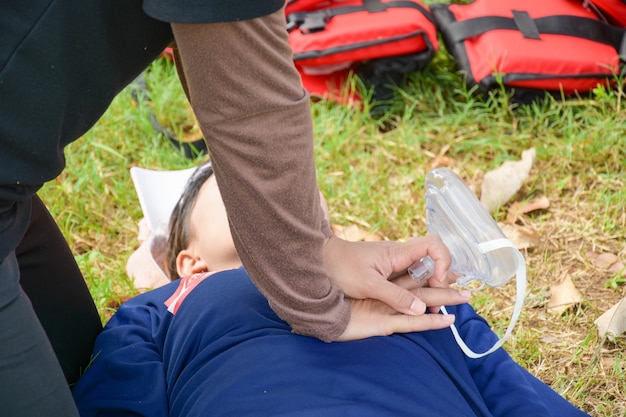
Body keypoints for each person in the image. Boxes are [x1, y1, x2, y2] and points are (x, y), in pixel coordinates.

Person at [2, 1, 458, 415]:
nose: (243, 186)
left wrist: (317, 254)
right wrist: (308, 279)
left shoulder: (398, 297)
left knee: (74, 357)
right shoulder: (162, 308)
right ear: (190, 265)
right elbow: (247, 106)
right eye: (222, 182)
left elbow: (227, 63)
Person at [71, 161, 590, 417]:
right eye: (239, 185)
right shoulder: (164, 305)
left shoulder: (413, 290)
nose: (278, 197)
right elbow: (117, 401)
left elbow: (508, 389)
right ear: (192, 263)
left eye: (294, 192)